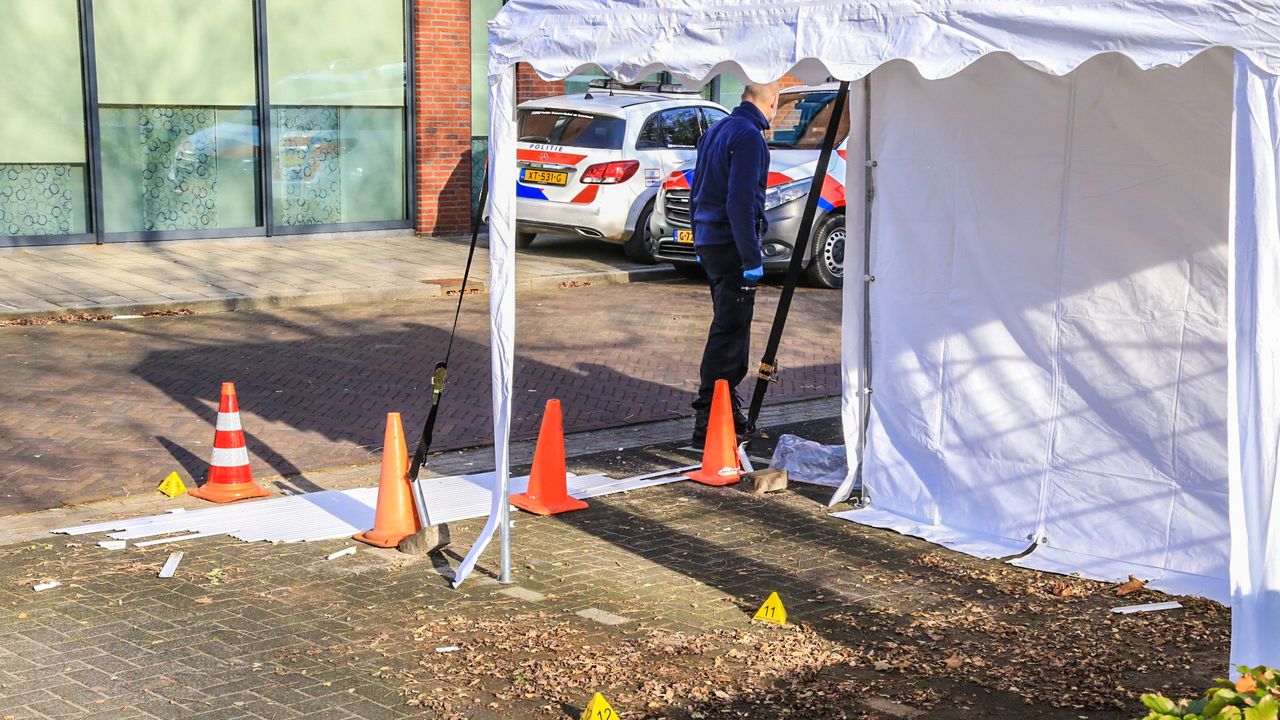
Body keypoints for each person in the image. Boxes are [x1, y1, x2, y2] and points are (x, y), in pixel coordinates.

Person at [688, 81, 781, 448]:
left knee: (729, 327)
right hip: (731, 245)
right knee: (730, 331)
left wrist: (698, 237)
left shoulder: (717, 130)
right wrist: (751, 256)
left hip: (711, 242)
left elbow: (697, 190)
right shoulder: (749, 137)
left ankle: (723, 406)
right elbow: (740, 201)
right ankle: (710, 415)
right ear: (772, 101)